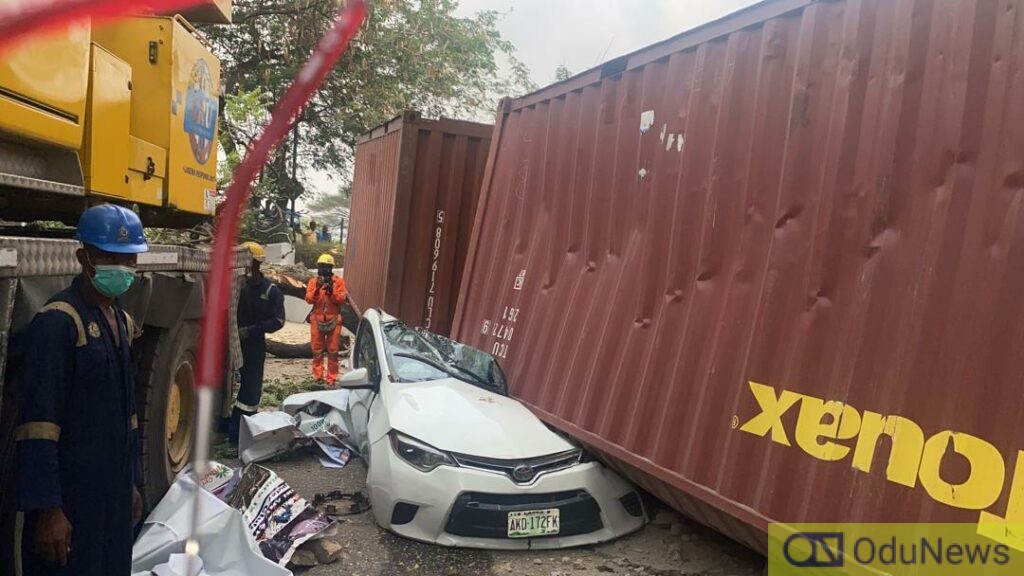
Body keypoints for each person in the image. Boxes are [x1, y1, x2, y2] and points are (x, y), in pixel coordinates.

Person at [15, 204, 147, 576]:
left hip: (113, 497)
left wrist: (133, 483)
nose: (120, 267)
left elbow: (129, 414)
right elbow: (38, 426)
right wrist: (48, 510)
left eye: (128, 258)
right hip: (72, 503)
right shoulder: (58, 323)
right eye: (108, 256)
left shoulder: (121, 321)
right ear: (83, 257)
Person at [229, 242, 285, 443]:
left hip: (253, 346)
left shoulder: (270, 291)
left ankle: (241, 436)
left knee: (250, 392)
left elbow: (278, 321)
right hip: (231, 343)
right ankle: (224, 427)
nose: (245, 268)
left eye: (249, 263)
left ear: (256, 264)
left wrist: (252, 330)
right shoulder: (236, 286)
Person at [305, 253, 347, 386]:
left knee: (333, 351)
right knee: (317, 350)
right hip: (316, 318)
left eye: (327, 267)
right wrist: (318, 289)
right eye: (322, 266)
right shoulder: (313, 282)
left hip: (334, 318)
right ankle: (318, 377)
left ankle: (331, 378)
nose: (324, 269)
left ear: (331, 268)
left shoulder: (339, 281)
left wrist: (332, 292)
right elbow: (308, 299)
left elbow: (341, 299)